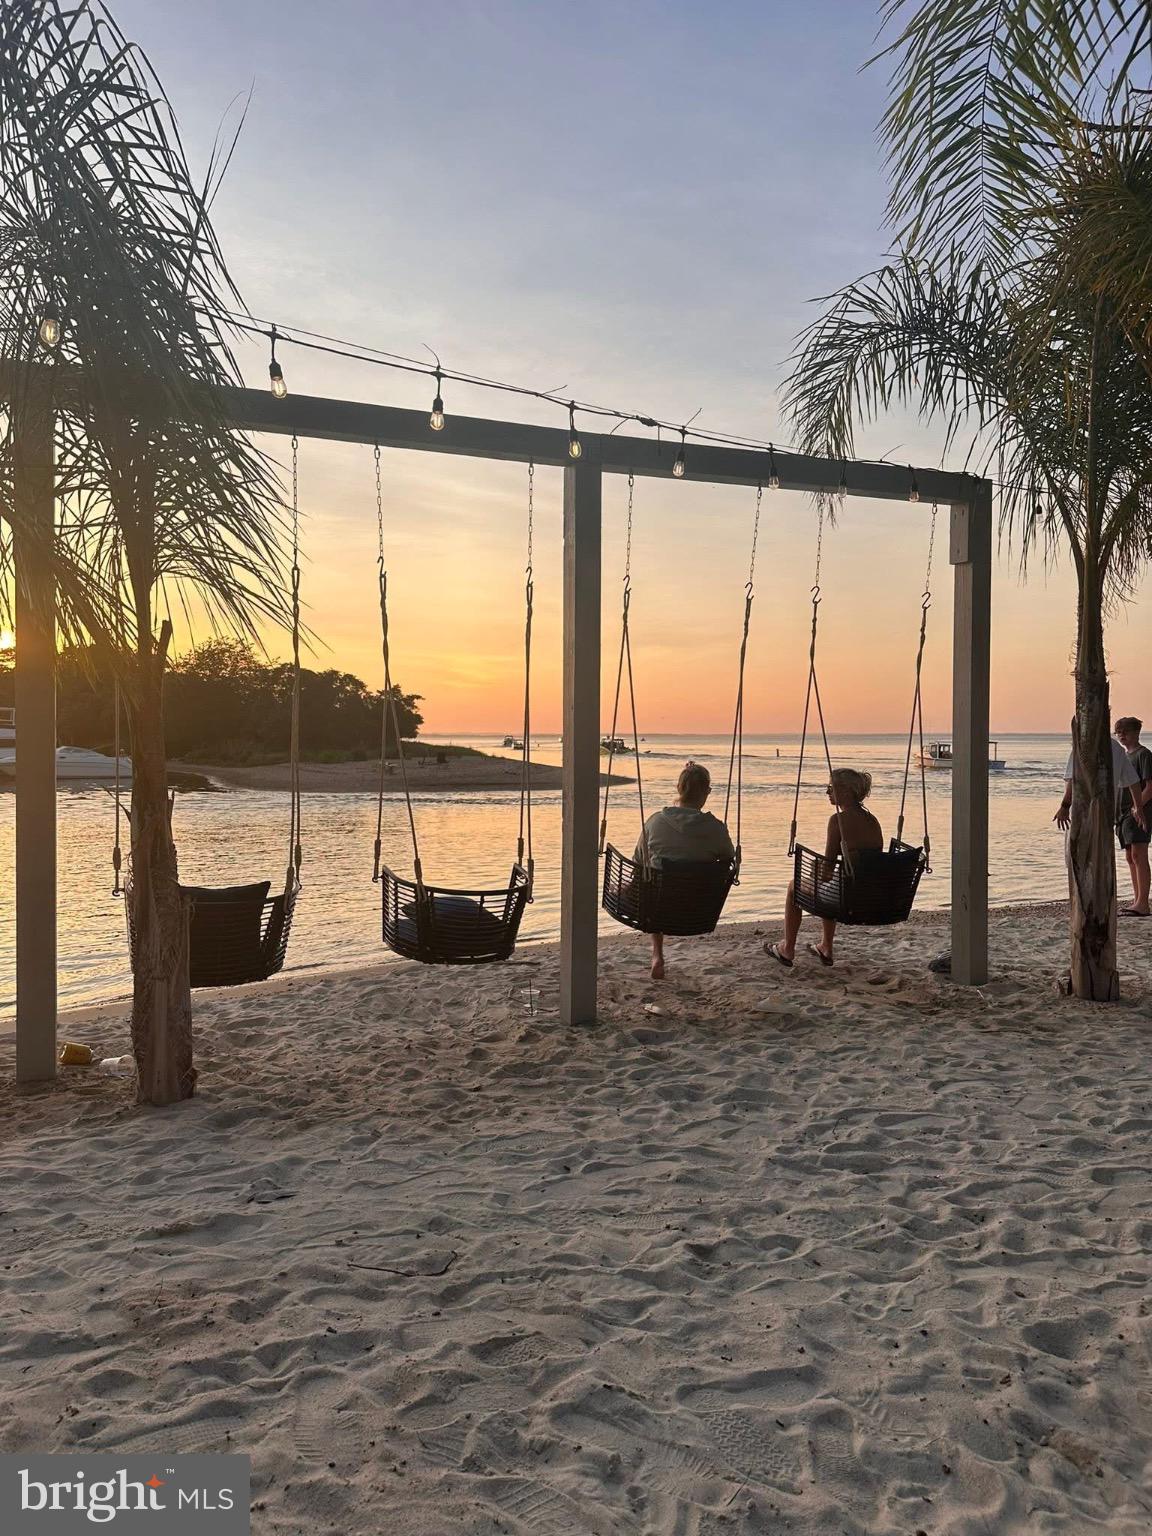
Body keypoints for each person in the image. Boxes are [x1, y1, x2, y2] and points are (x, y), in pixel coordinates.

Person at [766, 766, 883, 969]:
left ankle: (787, 948)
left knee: (794, 886)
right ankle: (825, 946)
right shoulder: (872, 821)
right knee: (835, 885)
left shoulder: (838, 820)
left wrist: (814, 872)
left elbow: (827, 873)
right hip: (867, 896)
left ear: (846, 792)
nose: (827, 792)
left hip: (845, 898)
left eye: (831, 788)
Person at [636, 761, 734, 980]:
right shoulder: (716, 829)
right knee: (655, 882)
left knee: (650, 880)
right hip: (699, 911)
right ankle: (657, 954)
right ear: (706, 793)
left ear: (679, 789)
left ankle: (657, 954)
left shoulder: (655, 822)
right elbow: (729, 857)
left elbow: (638, 860)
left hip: (661, 907)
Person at [1113, 717, 1152, 915]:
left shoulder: (1143, 755)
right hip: (1122, 812)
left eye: (1125, 732)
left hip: (1139, 811)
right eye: (1118, 732)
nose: (1121, 735)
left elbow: (1149, 787)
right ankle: (1137, 900)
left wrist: (1138, 808)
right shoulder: (1122, 756)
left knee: (1139, 854)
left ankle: (1143, 903)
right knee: (1130, 856)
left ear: (1136, 733)